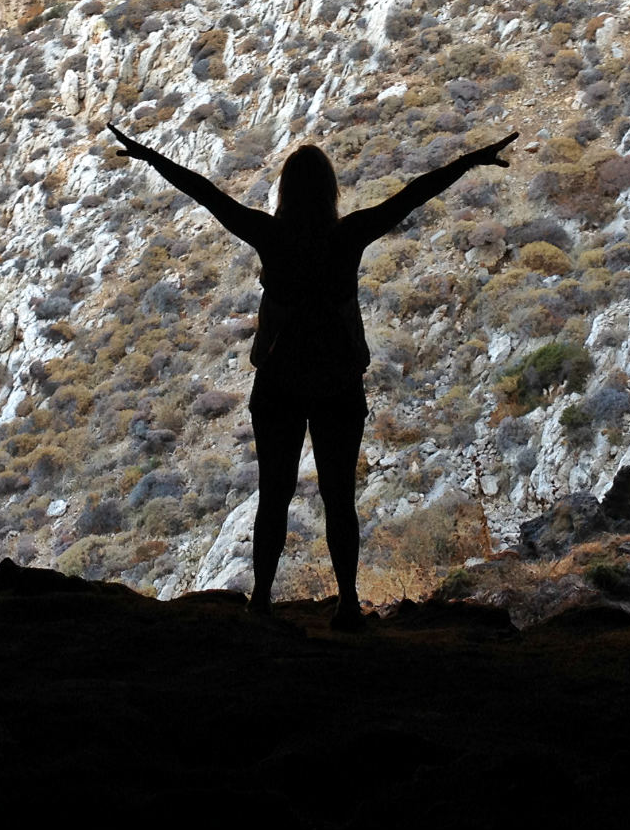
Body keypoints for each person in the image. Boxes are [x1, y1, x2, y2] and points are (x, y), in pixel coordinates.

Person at [106, 122, 515, 629]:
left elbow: (205, 193)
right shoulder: (349, 235)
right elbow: (414, 194)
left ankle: (261, 600)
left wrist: (150, 155)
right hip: (338, 382)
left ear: (284, 191)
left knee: (273, 495)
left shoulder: (269, 235)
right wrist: (471, 158)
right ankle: (347, 602)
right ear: (331, 191)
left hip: (278, 383)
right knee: (339, 498)